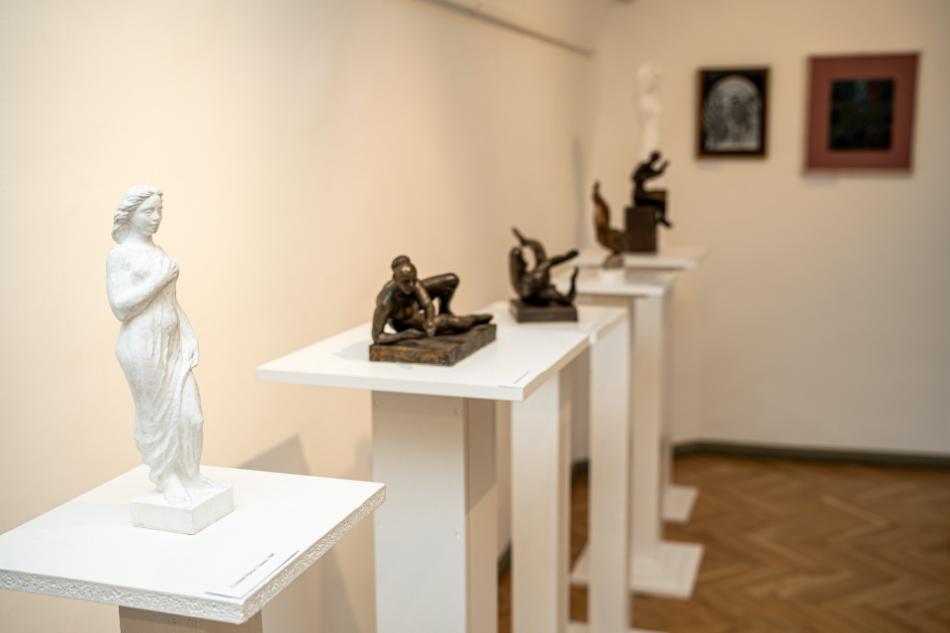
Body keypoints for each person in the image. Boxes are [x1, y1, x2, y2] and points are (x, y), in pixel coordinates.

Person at [106, 186, 212, 504]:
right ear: (131, 214)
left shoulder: (158, 251)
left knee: (192, 416)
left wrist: (189, 334)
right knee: (154, 414)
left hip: (172, 343)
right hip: (141, 347)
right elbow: (120, 307)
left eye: (159, 211)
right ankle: (166, 477)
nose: (156, 218)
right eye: (149, 211)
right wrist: (158, 280)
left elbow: (171, 302)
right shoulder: (119, 256)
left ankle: (190, 472)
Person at [372, 256, 492, 345]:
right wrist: (404, 334)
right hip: (405, 319)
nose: (411, 285)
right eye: (406, 282)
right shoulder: (386, 302)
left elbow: (428, 305)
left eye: (414, 280)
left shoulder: (413, 284)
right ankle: (475, 318)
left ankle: (444, 309)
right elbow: (377, 337)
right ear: (395, 279)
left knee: (451, 280)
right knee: (456, 322)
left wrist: (429, 321)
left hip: (413, 305)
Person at [509, 227, 578, 306]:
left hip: (533, 289)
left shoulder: (525, 279)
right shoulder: (532, 279)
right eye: (522, 260)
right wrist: (566, 258)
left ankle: (525, 241)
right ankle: (525, 241)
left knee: (540, 254)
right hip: (533, 291)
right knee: (542, 260)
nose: (526, 263)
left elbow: (548, 262)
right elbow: (550, 262)